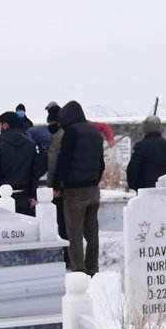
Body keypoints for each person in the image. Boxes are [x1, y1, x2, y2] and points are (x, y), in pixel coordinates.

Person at [51, 100, 105, 275]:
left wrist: (57, 184)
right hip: (92, 189)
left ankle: (78, 269)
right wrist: (94, 181)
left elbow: (64, 160)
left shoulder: (72, 132)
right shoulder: (96, 133)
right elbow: (101, 163)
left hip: (74, 190)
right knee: (92, 231)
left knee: (74, 232)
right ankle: (93, 267)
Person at [0, 112, 43, 215]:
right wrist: (32, 194)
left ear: (5, 125)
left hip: (3, 195)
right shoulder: (32, 144)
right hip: (25, 195)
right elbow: (35, 171)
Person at [126, 116, 166, 190]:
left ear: (144, 129)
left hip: (145, 190)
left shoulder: (140, 147)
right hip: (165, 190)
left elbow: (133, 170)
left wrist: (135, 187)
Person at [45, 105, 69, 264]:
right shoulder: (65, 133)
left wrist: (54, 187)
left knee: (64, 223)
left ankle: (67, 257)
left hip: (61, 188)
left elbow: (54, 163)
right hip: (68, 185)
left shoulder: (59, 136)